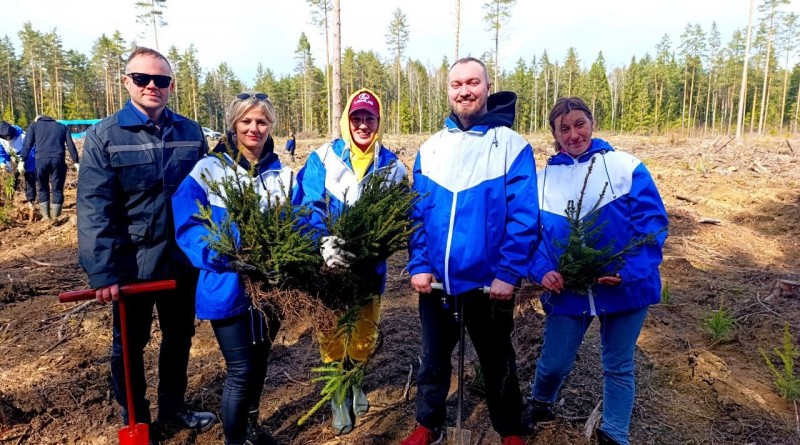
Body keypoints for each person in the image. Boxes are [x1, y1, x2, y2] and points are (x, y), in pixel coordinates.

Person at [76, 46, 217, 443]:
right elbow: (94, 209)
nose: (152, 86)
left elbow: (209, 193)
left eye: (161, 80)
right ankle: (136, 420)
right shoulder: (105, 136)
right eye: (142, 78)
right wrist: (103, 272)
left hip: (181, 261)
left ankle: (173, 408)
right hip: (130, 266)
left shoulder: (190, 133)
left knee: (179, 337)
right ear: (127, 82)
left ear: (171, 85)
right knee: (129, 345)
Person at [404, 57, 538, 445]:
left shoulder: (511, 147)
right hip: (438, 282)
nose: (465, 91)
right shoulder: (430, 149)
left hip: (489, 284)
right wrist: (419, 263)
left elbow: (524, 215)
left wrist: (508, 273)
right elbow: (417, 215)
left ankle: (509, 429)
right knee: (433, 358)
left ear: (488, 88)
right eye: (457, 84)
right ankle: (428, 424)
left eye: (473, 83)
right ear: (448, 91)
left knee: (497, 359)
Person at [525, 96, 669, 445]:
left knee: (618, 364)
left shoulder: (625, 167)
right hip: (568, 290)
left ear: (592, 123)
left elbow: (652, 225)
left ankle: (615, 434)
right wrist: (542, 271)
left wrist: (628, 271)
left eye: (580, 124)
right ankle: (540, 402)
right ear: (555, 135)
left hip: (625, 288)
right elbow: (531, 237)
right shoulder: (541, 181)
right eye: (564, 128)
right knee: (555, 363)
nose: (574, 134)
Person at [172, 91, 291, 445]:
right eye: (246, 121)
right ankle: (234, 441)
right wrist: (225, 254)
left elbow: (296, 225)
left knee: (260, 361)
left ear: (271, 126)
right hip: (226, 285)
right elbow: (188, 224)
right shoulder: (209, 170)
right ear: (233, 125)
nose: (254, 128)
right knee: (240, 370)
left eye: (262, 121)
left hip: (270, 288)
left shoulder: (282, 175)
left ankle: (251, 428)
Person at [292, 88, 406, 435]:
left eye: (369, 118)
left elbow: (398, 215)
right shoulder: (324, 158)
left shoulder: (392, 166)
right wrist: (323, 242)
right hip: (329, 265)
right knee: (331, 331)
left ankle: (355, 381)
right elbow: (308, 204)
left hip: (369, 268)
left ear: (379, 122)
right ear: (346, 121)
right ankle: (337, 394)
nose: (362, 125)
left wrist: (375, 247)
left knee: (363, 333)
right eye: (356, 118)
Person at [19, 114, 79, 220]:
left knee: (42, 188)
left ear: (37, 120)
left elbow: (27, 144)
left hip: (40, 160)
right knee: (57, 188)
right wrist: (76, 161)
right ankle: (56, 216)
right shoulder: (62, 127)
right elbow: (70, 145)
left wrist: (22, 160)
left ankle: (46, 217)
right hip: (58, 160)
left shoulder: (34, 126)